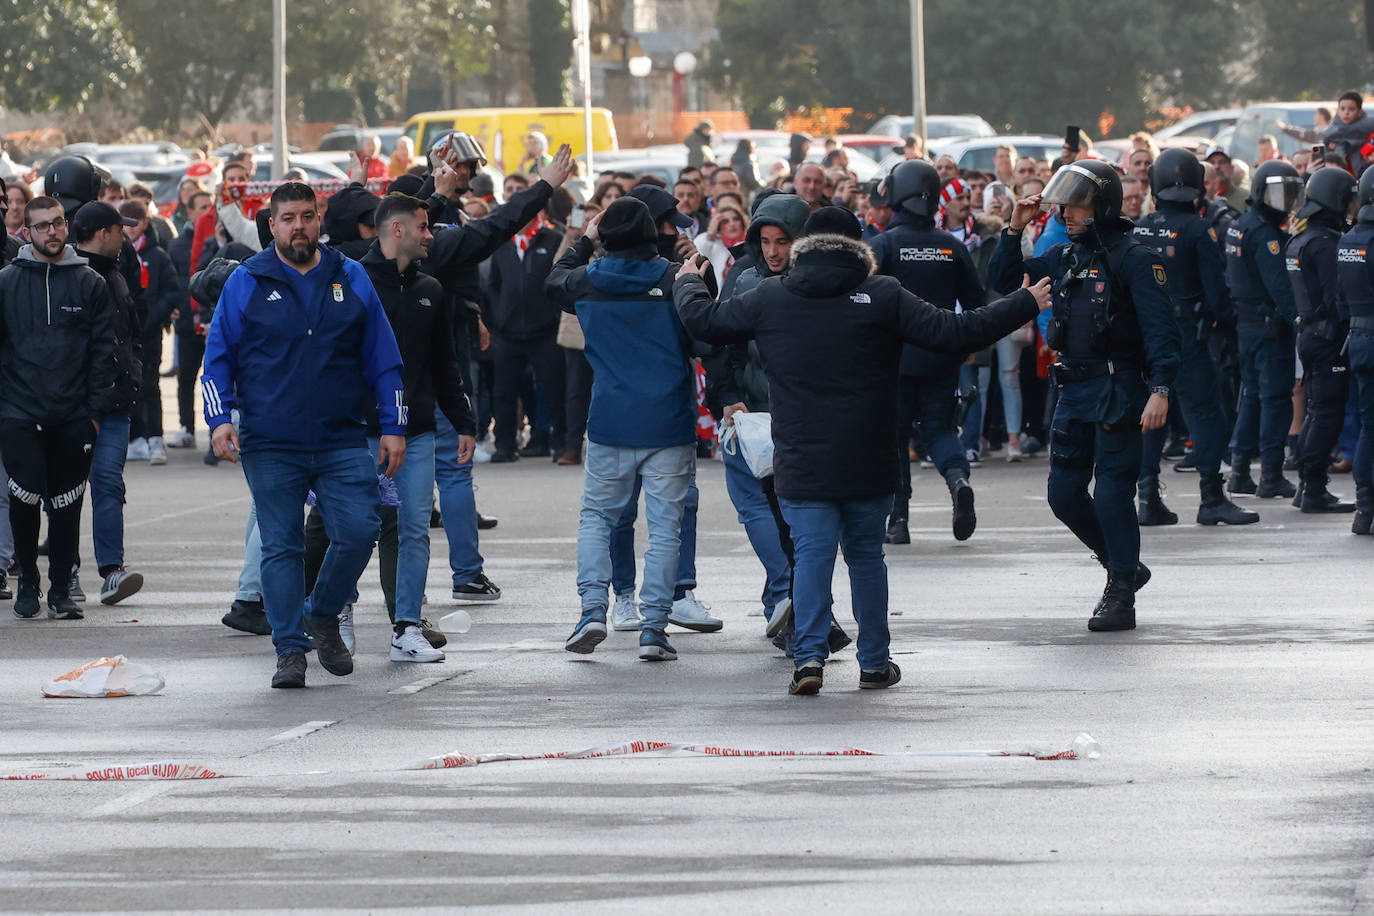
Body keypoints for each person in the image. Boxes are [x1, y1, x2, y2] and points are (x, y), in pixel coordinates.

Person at [676, 206, 1050, 694]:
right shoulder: (883, 295)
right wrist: (1023, 301)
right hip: (870, 453)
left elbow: (705, 323)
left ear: (804, 246)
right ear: (860, 247)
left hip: (802, 454)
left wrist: (687, 281)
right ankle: (874, 662)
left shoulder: (772, 296)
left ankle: (808, 660)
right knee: (867, 558)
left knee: (811, 556)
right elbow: (957, 332)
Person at [201, 181, 407, 689]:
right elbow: (217, 358)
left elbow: (384, 358)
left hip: (341, 437)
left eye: (307, 216)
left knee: (361, 530)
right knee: (281, 545)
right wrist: (219, 419)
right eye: (287, 217)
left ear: (320, 221)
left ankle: (323, 611)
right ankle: (290, 649)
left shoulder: (350, 276)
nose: (298, 226)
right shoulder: (247, 281)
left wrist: (394, 425)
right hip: (270, 441)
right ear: (272, 225)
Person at [990, 159, 1183, 632]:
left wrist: (1159, 390)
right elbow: (1001, 278)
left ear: (1102, 205)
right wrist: (1014, 229)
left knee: (1114, 494)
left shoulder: (1136, 258)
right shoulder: (1064, 256)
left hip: (1120, 389)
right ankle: (1125, 565)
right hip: (1073, 390)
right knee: (1063, 495)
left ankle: (1121, 594)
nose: (1065, 212)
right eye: (1064, 204)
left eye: (1076, 204)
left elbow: (1163, 334)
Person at [545, 198, 698, 662]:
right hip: (668, 420)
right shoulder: (674, 278)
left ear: (606, 237)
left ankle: (593, 608)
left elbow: (553, 281)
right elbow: (703, 333)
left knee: (598, 517)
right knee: (666, 528)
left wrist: (584, 240)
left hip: (611, 418)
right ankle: (654, 627)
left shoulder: (589, 281)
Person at [358, 194, 476, 660]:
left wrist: (463, 420)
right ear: (398, 230)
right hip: (359, 429)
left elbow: (445, 362)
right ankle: (337, 616)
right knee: (349, 527)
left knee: (414, 528)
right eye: (425, 226)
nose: (431, 235)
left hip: (419, 429)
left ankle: (406, 627)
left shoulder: (432, 288)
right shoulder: (353, 281)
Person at [0, 196, 116, 619]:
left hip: (74, 417)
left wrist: (94, 415)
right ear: (27, 232)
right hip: (18, 414)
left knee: (67, 506)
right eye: (42, 226)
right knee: (25, 501)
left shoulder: (91, 283)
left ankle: (61, 589)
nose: (52, 232)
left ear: (66, 226)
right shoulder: (7, 282)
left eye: (58, 223)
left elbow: (105, 353)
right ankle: (27, 581)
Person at [1131, 149, 1258, 527]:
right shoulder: (1199, 230)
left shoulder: (1140, 227)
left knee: (1151, 416)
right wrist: (1228, 325)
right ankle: (1211, 496)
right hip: (1187, 333)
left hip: (1145, 334)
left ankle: (1148, 496)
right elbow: (1218, 296)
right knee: (1205, 414)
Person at [871, 160, 988, 544]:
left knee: (893, 437)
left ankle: (898, 519)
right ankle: (957, 480)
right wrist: (967, 346)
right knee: (939, 430)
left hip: (893, 359)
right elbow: (975, 301)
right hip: (942, 354)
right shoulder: (951, 246)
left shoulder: (883, 245)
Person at [70, 202, 147, 606]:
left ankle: (111, 571)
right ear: (103, 233)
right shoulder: (70, 276)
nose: (125, 237)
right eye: (120, 230)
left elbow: (133, 332)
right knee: (63, 491)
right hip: (74, 407)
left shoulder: (116, 275)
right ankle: (65, 574)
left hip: (116, 404)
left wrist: (133, 370)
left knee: (108, 485)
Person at [1224, 160, 1305, 500]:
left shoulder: (1241, 224)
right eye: (1278, 193)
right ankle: (1271, 472)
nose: (1284, 201)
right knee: (1273, 400)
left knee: (1253, 396)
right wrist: (1301, 321)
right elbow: (1281, 289)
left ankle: (1240, 470)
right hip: (1269, 327)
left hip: (1247, 324)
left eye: (1289, 194)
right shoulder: (1266, 235)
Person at [1287, 166, 1359, 512]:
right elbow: (1336, 300)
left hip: (1310, 335)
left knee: (1317, 412)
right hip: (1328, 339)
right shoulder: (1326, 244)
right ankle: (1313, 487)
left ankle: (1308, 485)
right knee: (1327, 414)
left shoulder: (1301, 239)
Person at [485, 209, 566, 462]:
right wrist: (498, 318)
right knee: (504, 392)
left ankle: (561, 443)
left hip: (544, 331)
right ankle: (505, 445)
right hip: (508, 333)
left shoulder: (552, 239)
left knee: (554, 390)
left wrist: (552, 315)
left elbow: (560, 278)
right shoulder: (502, 242)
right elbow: (493, 285)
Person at [120, 200, 178, 468]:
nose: (130, 229)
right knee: (131, 383)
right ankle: (136, 438)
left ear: (145, 223)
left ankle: (156, 437)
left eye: (135, 223)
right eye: (125, 223)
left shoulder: (157, 256)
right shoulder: (118, 252)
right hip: (127, 331)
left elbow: (170, 290)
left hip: (151, 330)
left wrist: (154, 317)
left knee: (151, 383)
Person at [1337, 166, 1374, 533]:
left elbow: (1339, 300)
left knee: (1368, 427)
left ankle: (1364, 509)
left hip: (1359, 340)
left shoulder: (1348, 239)